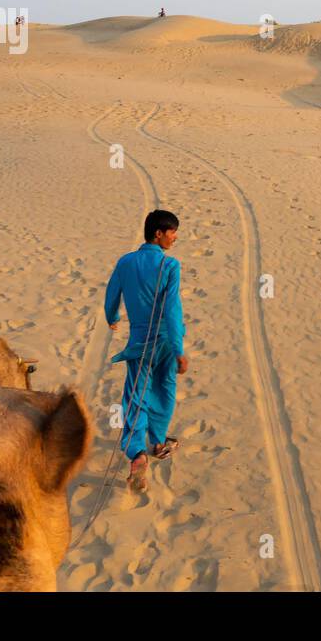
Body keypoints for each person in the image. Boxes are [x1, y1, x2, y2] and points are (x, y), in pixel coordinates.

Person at [103, 209, 188, 492]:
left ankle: (138, 454)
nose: (175, 237)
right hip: (164, 341)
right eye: (172, 231)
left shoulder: (126, 262)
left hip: (138, 342)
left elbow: (112, 292)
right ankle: (159, 443)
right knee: (164, 389)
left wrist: (112, 316)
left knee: (136, 395)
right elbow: (173, 310)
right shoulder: (170, 266)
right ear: (158, 234)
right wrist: (179, 349)